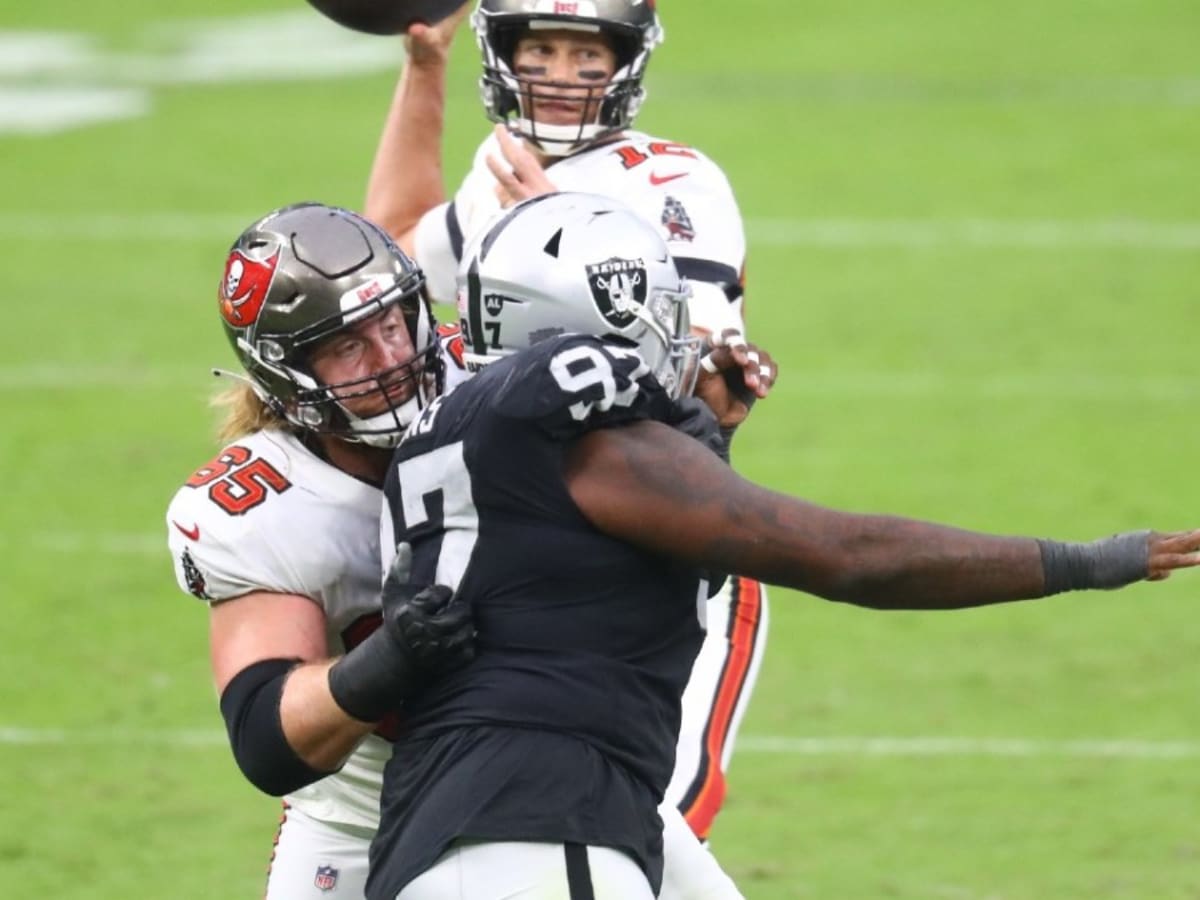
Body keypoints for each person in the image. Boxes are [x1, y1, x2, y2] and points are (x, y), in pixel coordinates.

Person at [367, 191, 1200, 900]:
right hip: (538, 832)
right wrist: (1088, 562)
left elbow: (603, 577)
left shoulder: (468, 435)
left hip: (476, 825)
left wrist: (705, 434)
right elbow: (849, 555)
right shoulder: (594, 445)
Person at [365, 0, 768, 843]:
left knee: (655, 827)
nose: (558, 74)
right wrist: (423, 69)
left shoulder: (674, 178)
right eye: (538, 48)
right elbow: (396, 244)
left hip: (658, 548)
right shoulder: (498, 167)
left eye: (585, 54)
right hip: (521, 552)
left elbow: (694, 366)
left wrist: (560, 226)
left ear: (624, 62)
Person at [165, 201, 476, 899]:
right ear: (285, 373)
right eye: (347, 346)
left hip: (557, 773)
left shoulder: (488, 378)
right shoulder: (266, 506)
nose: (391, 359)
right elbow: (266, 739)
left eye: (392, 323)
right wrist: (391, 660)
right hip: (368, 815)